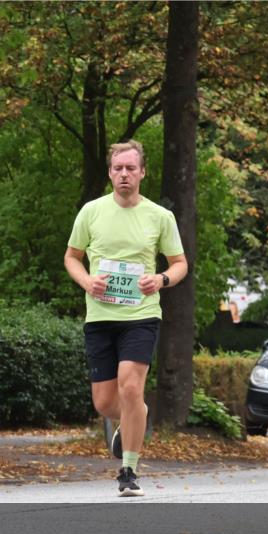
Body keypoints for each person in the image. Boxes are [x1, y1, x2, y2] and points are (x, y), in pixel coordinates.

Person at [64, 139, 188, 497]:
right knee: (105, 403)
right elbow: (71, 257)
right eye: (118, 168)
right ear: (109, 173)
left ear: (142, 172)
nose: (124, 174)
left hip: (141, 314)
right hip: (100, 316)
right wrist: (87, 281)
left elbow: (179, 264)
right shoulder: (91, 212)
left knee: (131, 387)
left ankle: (128, 472)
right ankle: (136, 414)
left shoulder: (159, 217)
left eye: (130, 168)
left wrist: (161, 280)